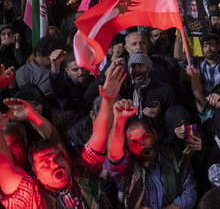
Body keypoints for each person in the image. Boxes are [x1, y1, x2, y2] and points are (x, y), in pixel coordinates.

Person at [0, 66, 126, 208]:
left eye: (59, 155)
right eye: (45, 163)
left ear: (68, 156)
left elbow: (98, 138)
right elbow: (6, 169)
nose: (55, 163)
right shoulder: (31, 196)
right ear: (35, 172)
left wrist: (108, 100)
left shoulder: (83, 175)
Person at [105, 99, 198, 209]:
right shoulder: (126, 167)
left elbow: (190, 195)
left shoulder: (177, 160)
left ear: (154, 133)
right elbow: (114, 158)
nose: (141, 146)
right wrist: (117, 120)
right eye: (134, 143)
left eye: (145, 137)